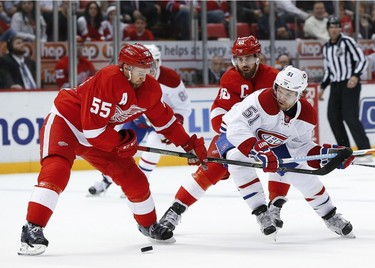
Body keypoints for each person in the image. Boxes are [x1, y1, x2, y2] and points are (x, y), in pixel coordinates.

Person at [17, 43, 208, 256]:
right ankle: (32, 228)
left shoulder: (151, 88)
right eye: (140, 70)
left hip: (99, 133)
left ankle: (148, 224)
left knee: (133, 177)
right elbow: (92, 131)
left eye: (148, 69)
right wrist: (121, 142)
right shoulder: (109, 79)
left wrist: (189, 145)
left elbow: (166, 123)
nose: (146, 75)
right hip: (67, 122)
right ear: (126, 68)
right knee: (57, 169)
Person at [159, 36, 292, 232]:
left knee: (284, 161)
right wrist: (236, 145)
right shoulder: (230, 78)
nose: (243, 63)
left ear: (258, 57)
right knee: (213, 166)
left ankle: (275, 207)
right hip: (233, 131)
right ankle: (175, 211)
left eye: (247, 58)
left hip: (269, 131)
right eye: (239, 59)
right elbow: (226, 118)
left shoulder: (274, 77)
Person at [215, 65, 355, 238]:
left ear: (300, 95)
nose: (281, 97)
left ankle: (330, 215)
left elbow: (299, 148)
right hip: (232, 134)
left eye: (289, 94)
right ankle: (261, 213)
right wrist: (257, 149)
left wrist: (324, 155)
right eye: (280, 90)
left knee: (299, 172)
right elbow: (236, 129)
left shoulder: (306, 116)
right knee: (238, 160)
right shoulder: (261, 100)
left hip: (270, 141)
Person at [88, 44, 192, 195]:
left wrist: (175, 124)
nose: (147, 71)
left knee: (154, 143)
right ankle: (106, 180)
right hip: (138, 120)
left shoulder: (171, 79)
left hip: (161, 122)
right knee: (118, 150)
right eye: (140, 66)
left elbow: (183, 107)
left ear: (159, 62)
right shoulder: (128, 78)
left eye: (151, 65)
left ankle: (139, 182)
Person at [319, 17, 373, 163]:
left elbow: (362, 60)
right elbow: (328, 70)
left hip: (350, 83)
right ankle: (345, 151)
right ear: (328, 29)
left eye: (337, 26)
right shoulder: (327, 47)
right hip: (336, 85)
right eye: (332, 26)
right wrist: (323, 87)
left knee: (350, 116)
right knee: (333, 117)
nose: (334, 29)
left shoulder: (347, 42)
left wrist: (355, 76)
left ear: (340, 28)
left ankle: (365, 150)